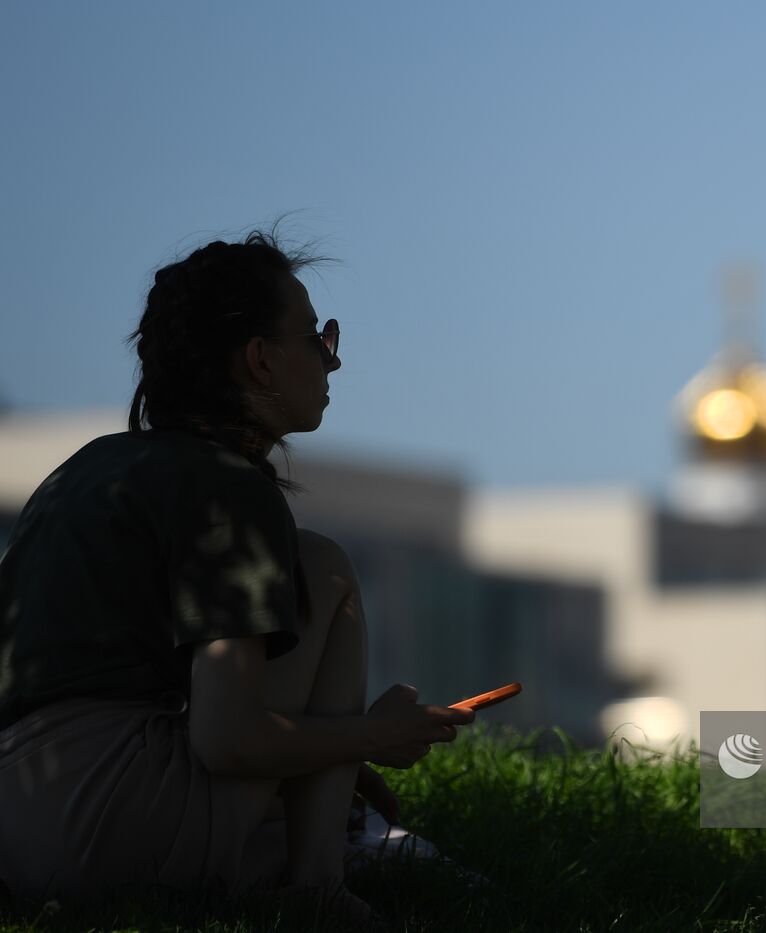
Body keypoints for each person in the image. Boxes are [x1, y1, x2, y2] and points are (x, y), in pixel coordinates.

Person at [0, 228, 476, 925]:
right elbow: (227, 737)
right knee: (325, 566)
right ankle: (319, 890)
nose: (331, 361)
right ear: (259, 359)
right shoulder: (231, 494)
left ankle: (302, 847)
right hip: (105, 813)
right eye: (316, 337)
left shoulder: (94, 466)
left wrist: (317, 760)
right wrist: (372, 735)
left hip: (16, 825)